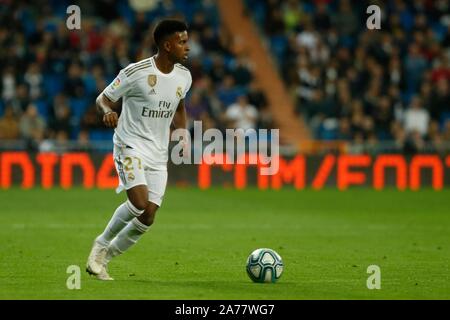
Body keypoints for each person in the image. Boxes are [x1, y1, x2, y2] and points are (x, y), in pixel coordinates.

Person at [86, 19, 191, 280]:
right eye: (182, 42)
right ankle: (100, 243)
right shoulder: (136, 72)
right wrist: (109, 111)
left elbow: (179, 106)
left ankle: (105, 258)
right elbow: (104, 98)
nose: (187, 47)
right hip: (129, 144)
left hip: (157, 152)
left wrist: (182, 132)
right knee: (138, 203)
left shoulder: (184, 77)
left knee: (149, 216)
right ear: (167, 45)